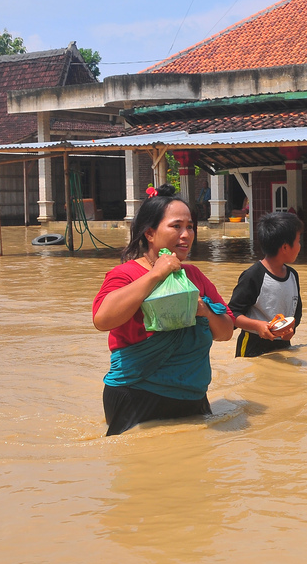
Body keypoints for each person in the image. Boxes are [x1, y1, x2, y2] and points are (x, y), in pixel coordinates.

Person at [92, 185, 235, 435]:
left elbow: (226, 332)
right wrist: (156, 275)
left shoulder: (194, 276)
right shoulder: (126, 274)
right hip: (136, 395)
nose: (186, 234)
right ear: (150, 233)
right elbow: (102, 319)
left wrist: (204, 311)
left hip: (192, 397)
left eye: (190, 226)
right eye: (176, 226)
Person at [229, 211, 304, 357]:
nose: (300, 246)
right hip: (251, 346)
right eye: (298, 241)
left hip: (283, 346)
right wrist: (258, 326)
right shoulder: (253, 276)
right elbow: (232, 314)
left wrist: (291, 330)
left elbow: (297, 312)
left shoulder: (293, 276)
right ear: (285, 247)